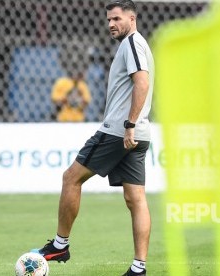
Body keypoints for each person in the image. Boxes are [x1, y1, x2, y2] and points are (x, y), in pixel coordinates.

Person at [31, 1, 154, 276]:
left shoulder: (133, 44)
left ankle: (60, 245)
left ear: (132, 18)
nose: (111, 24)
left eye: (117, 18)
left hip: (119, 131)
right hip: (138, 133)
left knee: (71, 177)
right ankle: (139, 268)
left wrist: (129, 124)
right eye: (109, 19)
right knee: (136, 199)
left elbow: (142, 82)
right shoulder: (135, 44)